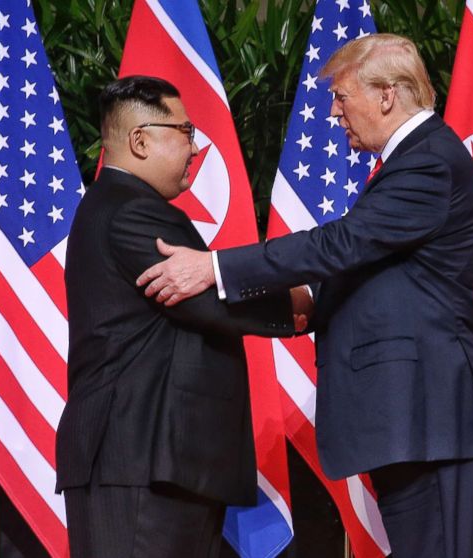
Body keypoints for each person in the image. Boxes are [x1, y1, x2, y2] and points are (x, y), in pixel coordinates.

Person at [135, 34, 473, 558]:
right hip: (412, 414)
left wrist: (214, 267)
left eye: (343, 96)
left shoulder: (429, 162)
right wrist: (312, 302)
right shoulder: (414, 161)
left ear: (386, 96)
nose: (333, 111)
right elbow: (382, 266)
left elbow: (344, 243)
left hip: (427, 411)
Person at [55, 75, 307, 558]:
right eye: (185, 132)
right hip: (140, 460)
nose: (195, 148)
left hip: (148, 462)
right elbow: (204, 300)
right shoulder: (130, 210)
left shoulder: (117, 205)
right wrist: (301, 305)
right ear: (140, 140)